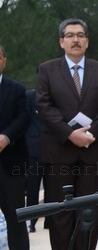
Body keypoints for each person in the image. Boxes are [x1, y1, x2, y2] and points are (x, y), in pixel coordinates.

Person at [36, 18, 98, 250]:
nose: (75, 39)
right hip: (59, 152)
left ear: (87, 41)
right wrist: (70, 134)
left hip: (93, 153)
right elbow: (45, 107)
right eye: (69, 35)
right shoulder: (47, 70)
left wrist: (90, 134)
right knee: (60, 214)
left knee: (88, 212)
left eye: (80, 35)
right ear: (61, 41)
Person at [0, 45, 32, 250]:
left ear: (4, 60)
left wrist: (6, 137)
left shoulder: (17, 90)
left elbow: (24, 118)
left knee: (16, 215)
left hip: (10, 163)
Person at [25, 89, 45, 233]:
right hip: (33, 150)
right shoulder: (29, 96)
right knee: (33, 188)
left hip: (54, 149)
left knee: (54, 188)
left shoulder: (58, 94)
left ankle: (51, 220)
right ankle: (32, 220)